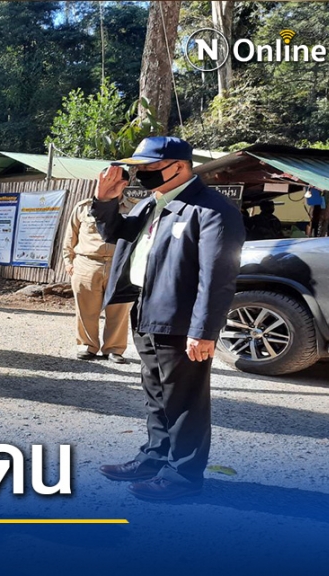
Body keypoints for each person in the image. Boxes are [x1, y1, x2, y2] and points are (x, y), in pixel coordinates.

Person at [92, 136, 245, 501]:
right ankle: (154, 458)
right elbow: (114, 232)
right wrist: (105, 200)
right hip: (147, 310)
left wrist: (204, 330)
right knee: (156, 395)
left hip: (182, 320)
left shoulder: (212, 210)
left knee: (185, 401)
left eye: (150, 167)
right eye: (140, 168)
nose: (142, 174)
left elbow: (218, 277)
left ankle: (184, 477)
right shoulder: (153, 203)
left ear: (179, 166)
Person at [63, 198, 132, 363]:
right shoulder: (83, 207)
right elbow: (70, 236)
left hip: (120, 263)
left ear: (124, 185)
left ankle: (114, 349)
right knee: (86, 309)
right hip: (87, 263)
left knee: (119, 310)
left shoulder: (133, 207)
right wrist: (68, 262)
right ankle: (87, 345)